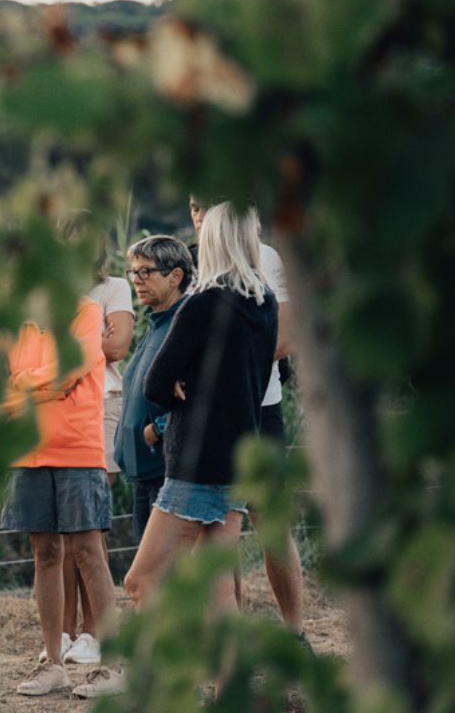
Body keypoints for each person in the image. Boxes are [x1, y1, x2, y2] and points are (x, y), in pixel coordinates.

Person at [122, 202, 277, 624]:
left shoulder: (203, 304)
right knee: (218, 588)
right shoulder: (266, 304)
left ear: (212, 241)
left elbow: (155, 385)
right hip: (239, 456)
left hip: (196, 461)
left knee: (142, 582)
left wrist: (176, 390)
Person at [0, 296, 125, 699]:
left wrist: (28, 383)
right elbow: (8, 387)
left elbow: (71, 371)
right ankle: (54, 664)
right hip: (28, 449)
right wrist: (42, 384)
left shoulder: (84, 310)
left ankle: (114, 667)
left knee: (89, 553)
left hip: (78, 450)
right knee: (44, 553)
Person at [189, 196, 303, 632]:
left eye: (206, 207)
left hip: (260, 409)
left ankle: (294, 631)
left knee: (270, 524)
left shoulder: (267, 257)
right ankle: (228, 635)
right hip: (209, 417)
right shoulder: (194, 261)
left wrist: (232, 377)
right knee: (216, 526)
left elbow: (286, 335)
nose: (198, 215)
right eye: (193, 207)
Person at [50, 264, 135, 667]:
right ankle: (64, 632)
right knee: (61, 529)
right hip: (56, 408)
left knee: (91, 524)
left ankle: (95, 631)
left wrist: (73, 344)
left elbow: (117, 347)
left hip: (102, 405)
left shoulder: (114, 288)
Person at [114, 236, 194, 545]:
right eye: (133, 272)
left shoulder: (185, 322)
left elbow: (202, 391)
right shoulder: (158, 322)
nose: (137, 280)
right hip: (144, 474)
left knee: (164, 577)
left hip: (168, 471)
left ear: (175, 276)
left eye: (146, 271)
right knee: (149, 583)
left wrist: (158, 429)